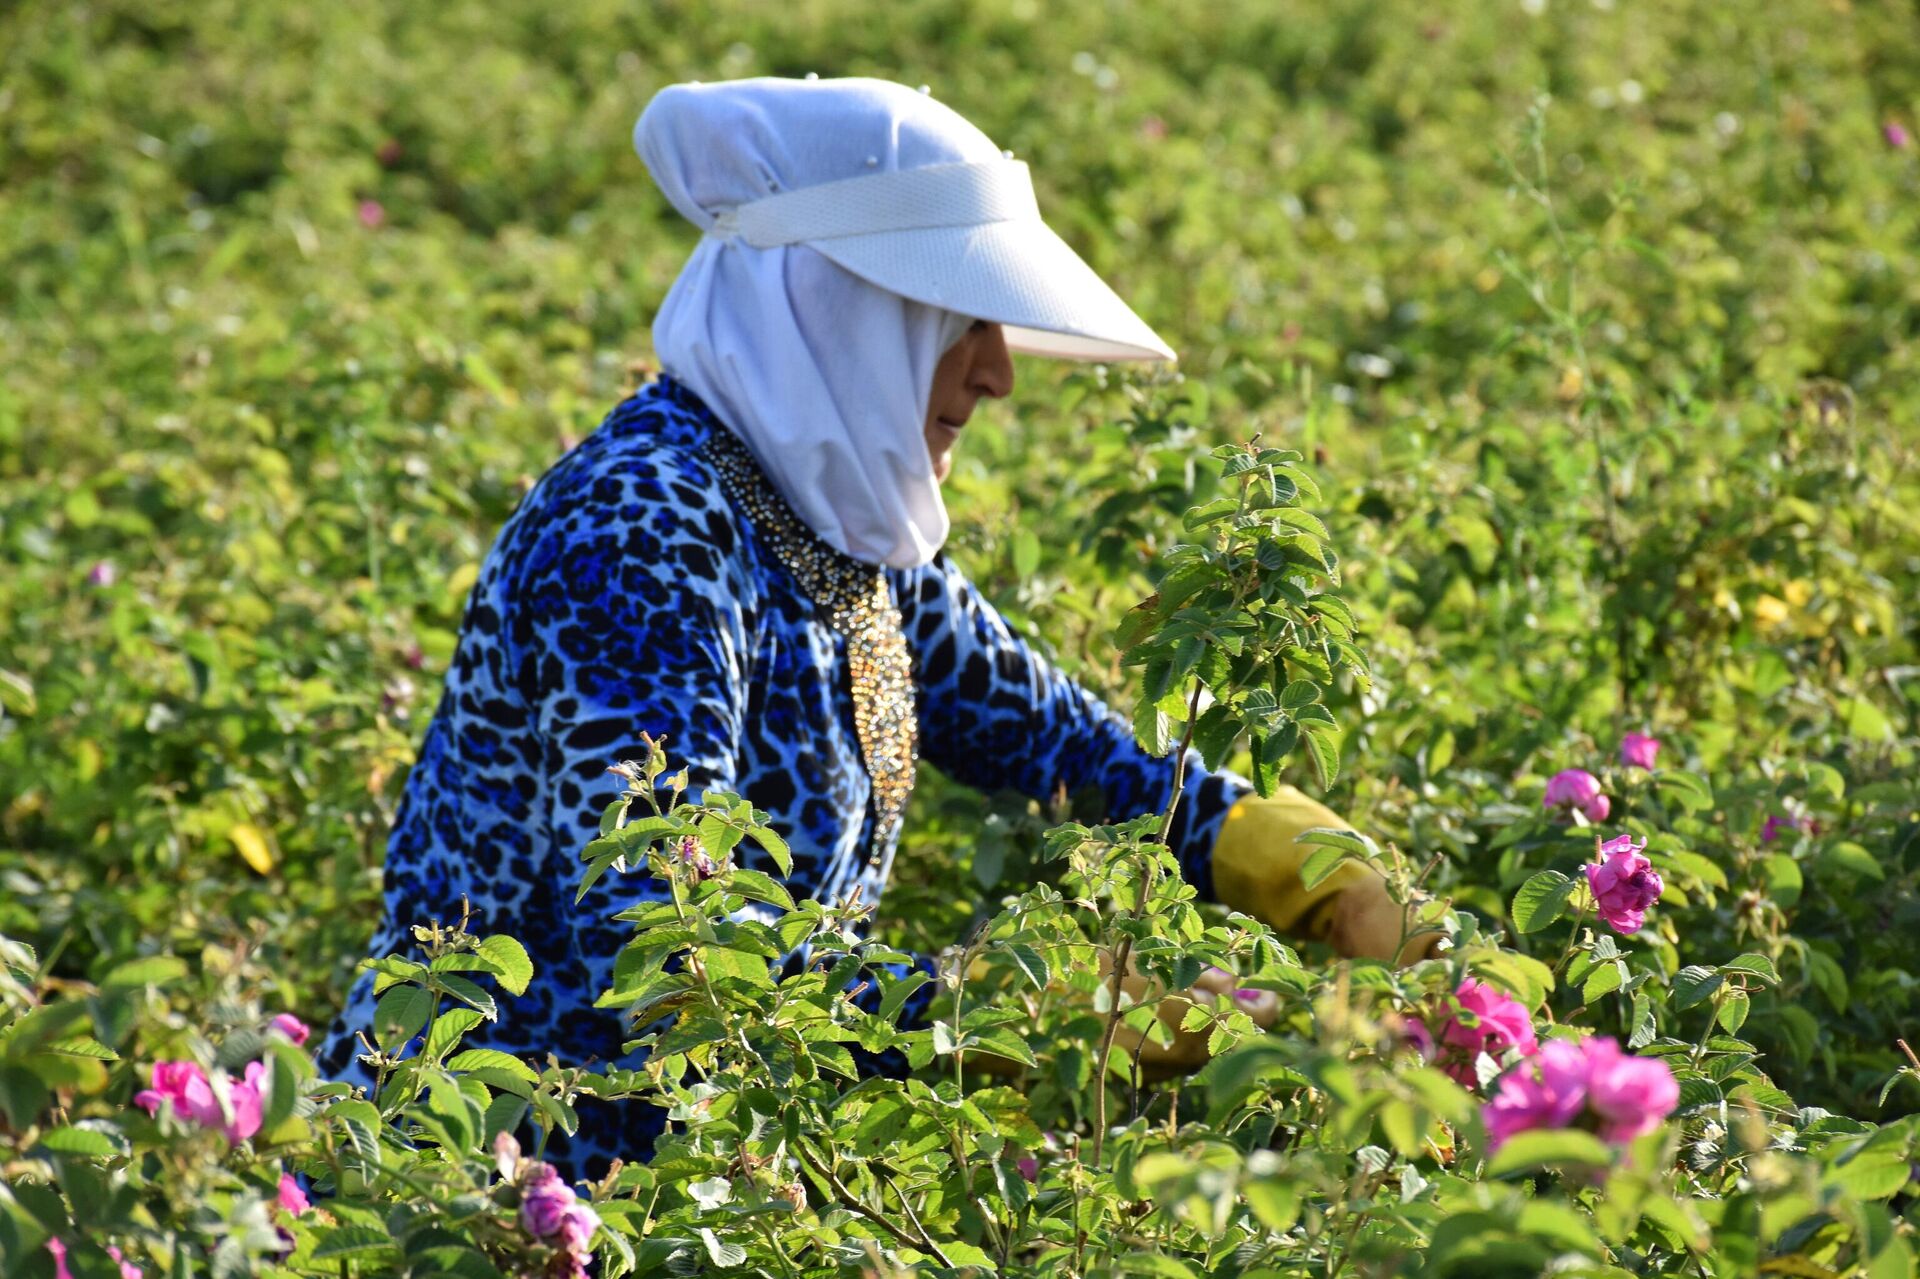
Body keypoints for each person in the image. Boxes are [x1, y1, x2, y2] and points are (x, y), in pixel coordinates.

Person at [316, 76, 1425, 1180]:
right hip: (492, 1182)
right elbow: (668, 946)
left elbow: (1063, 749)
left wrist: (1302, 866)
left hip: (702, 1181)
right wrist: (1009, 1009)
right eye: (960, 321)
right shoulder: (639, 528)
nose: (994, 372)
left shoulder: (836, 531)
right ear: (841, 308)